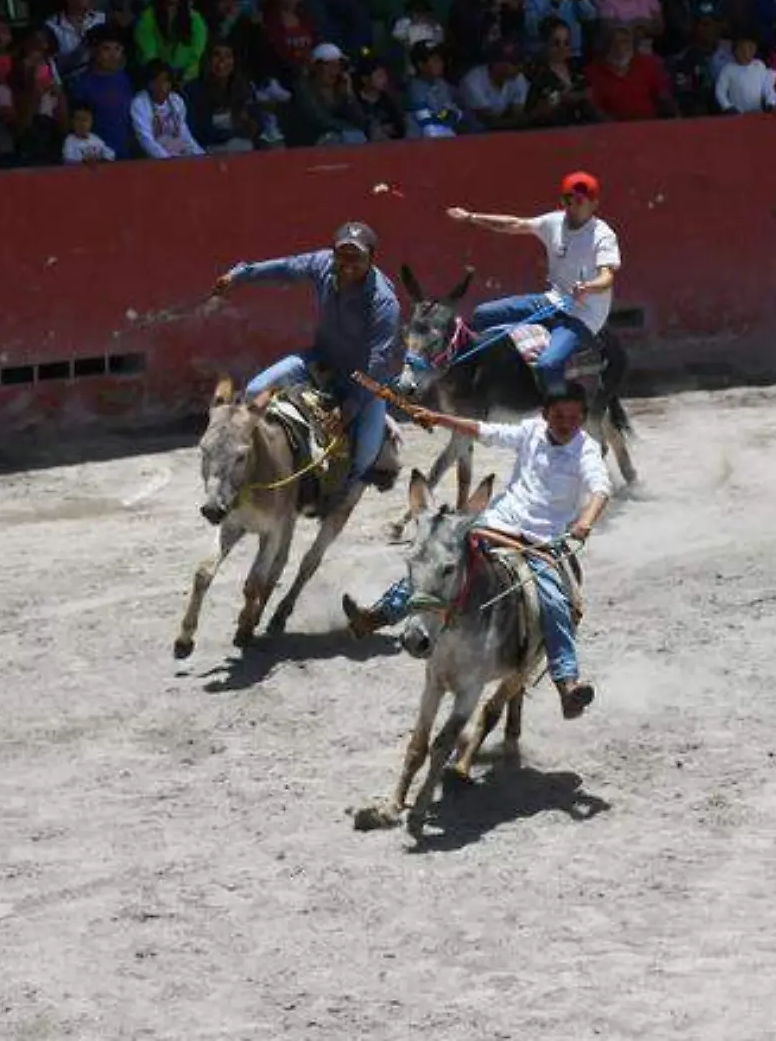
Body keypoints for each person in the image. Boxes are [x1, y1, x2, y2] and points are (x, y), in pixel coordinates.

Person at [344, 384, 611, 720]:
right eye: (558, 415)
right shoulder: (530, 432)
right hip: (495, 524)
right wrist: (438, 417)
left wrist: (585, 522)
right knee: (437, 561)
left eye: (574, 417)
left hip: (540, 542)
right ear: (544, 415)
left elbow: (600, 488)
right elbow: (483, 431)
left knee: (555, 602)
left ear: (583, 418)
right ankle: (380, 614)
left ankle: (567, 682)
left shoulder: (587, 450)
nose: (565, 423)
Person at [210, 221, 401, 496]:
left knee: (363, 460)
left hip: (364, 384)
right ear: (333, 253)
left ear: (372, 258)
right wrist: (239, 275)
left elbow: (378, 363)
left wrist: (347, 410)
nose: (347, 264)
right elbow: (285, 268)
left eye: (356, 257)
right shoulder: (323, 264)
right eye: (341, 255)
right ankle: (250, 467)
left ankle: (340, 494)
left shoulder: (384, 303)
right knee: (254, 390)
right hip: (320, 361)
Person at [444, 171, 621, 395]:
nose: (572, 205)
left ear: (594, 203)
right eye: (568, 199)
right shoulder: (554, 221)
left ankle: (557, 409)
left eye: (579, 200)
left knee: (548, 365)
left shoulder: (603, 235)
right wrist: (471, 217)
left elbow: (607, 277)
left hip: (583, 316)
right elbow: (514, 224)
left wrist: (589, 287)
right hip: (552, 301)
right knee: (482, 315)